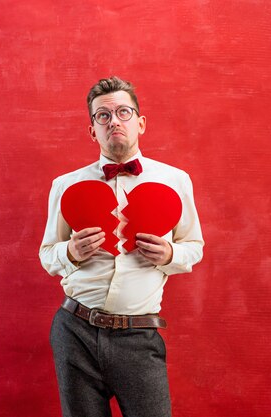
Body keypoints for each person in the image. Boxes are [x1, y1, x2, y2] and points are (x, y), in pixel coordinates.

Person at [39, 76, 204, 417]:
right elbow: (47, 254)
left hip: (139, 335)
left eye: (123, 112)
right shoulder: (66, 185)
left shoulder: (175, 181)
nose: (114, 120)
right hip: (75, 331)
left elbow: (194, 245)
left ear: (140, 123)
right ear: (92, 131)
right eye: (103, 115)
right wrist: (70, 253)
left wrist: (170, 254)